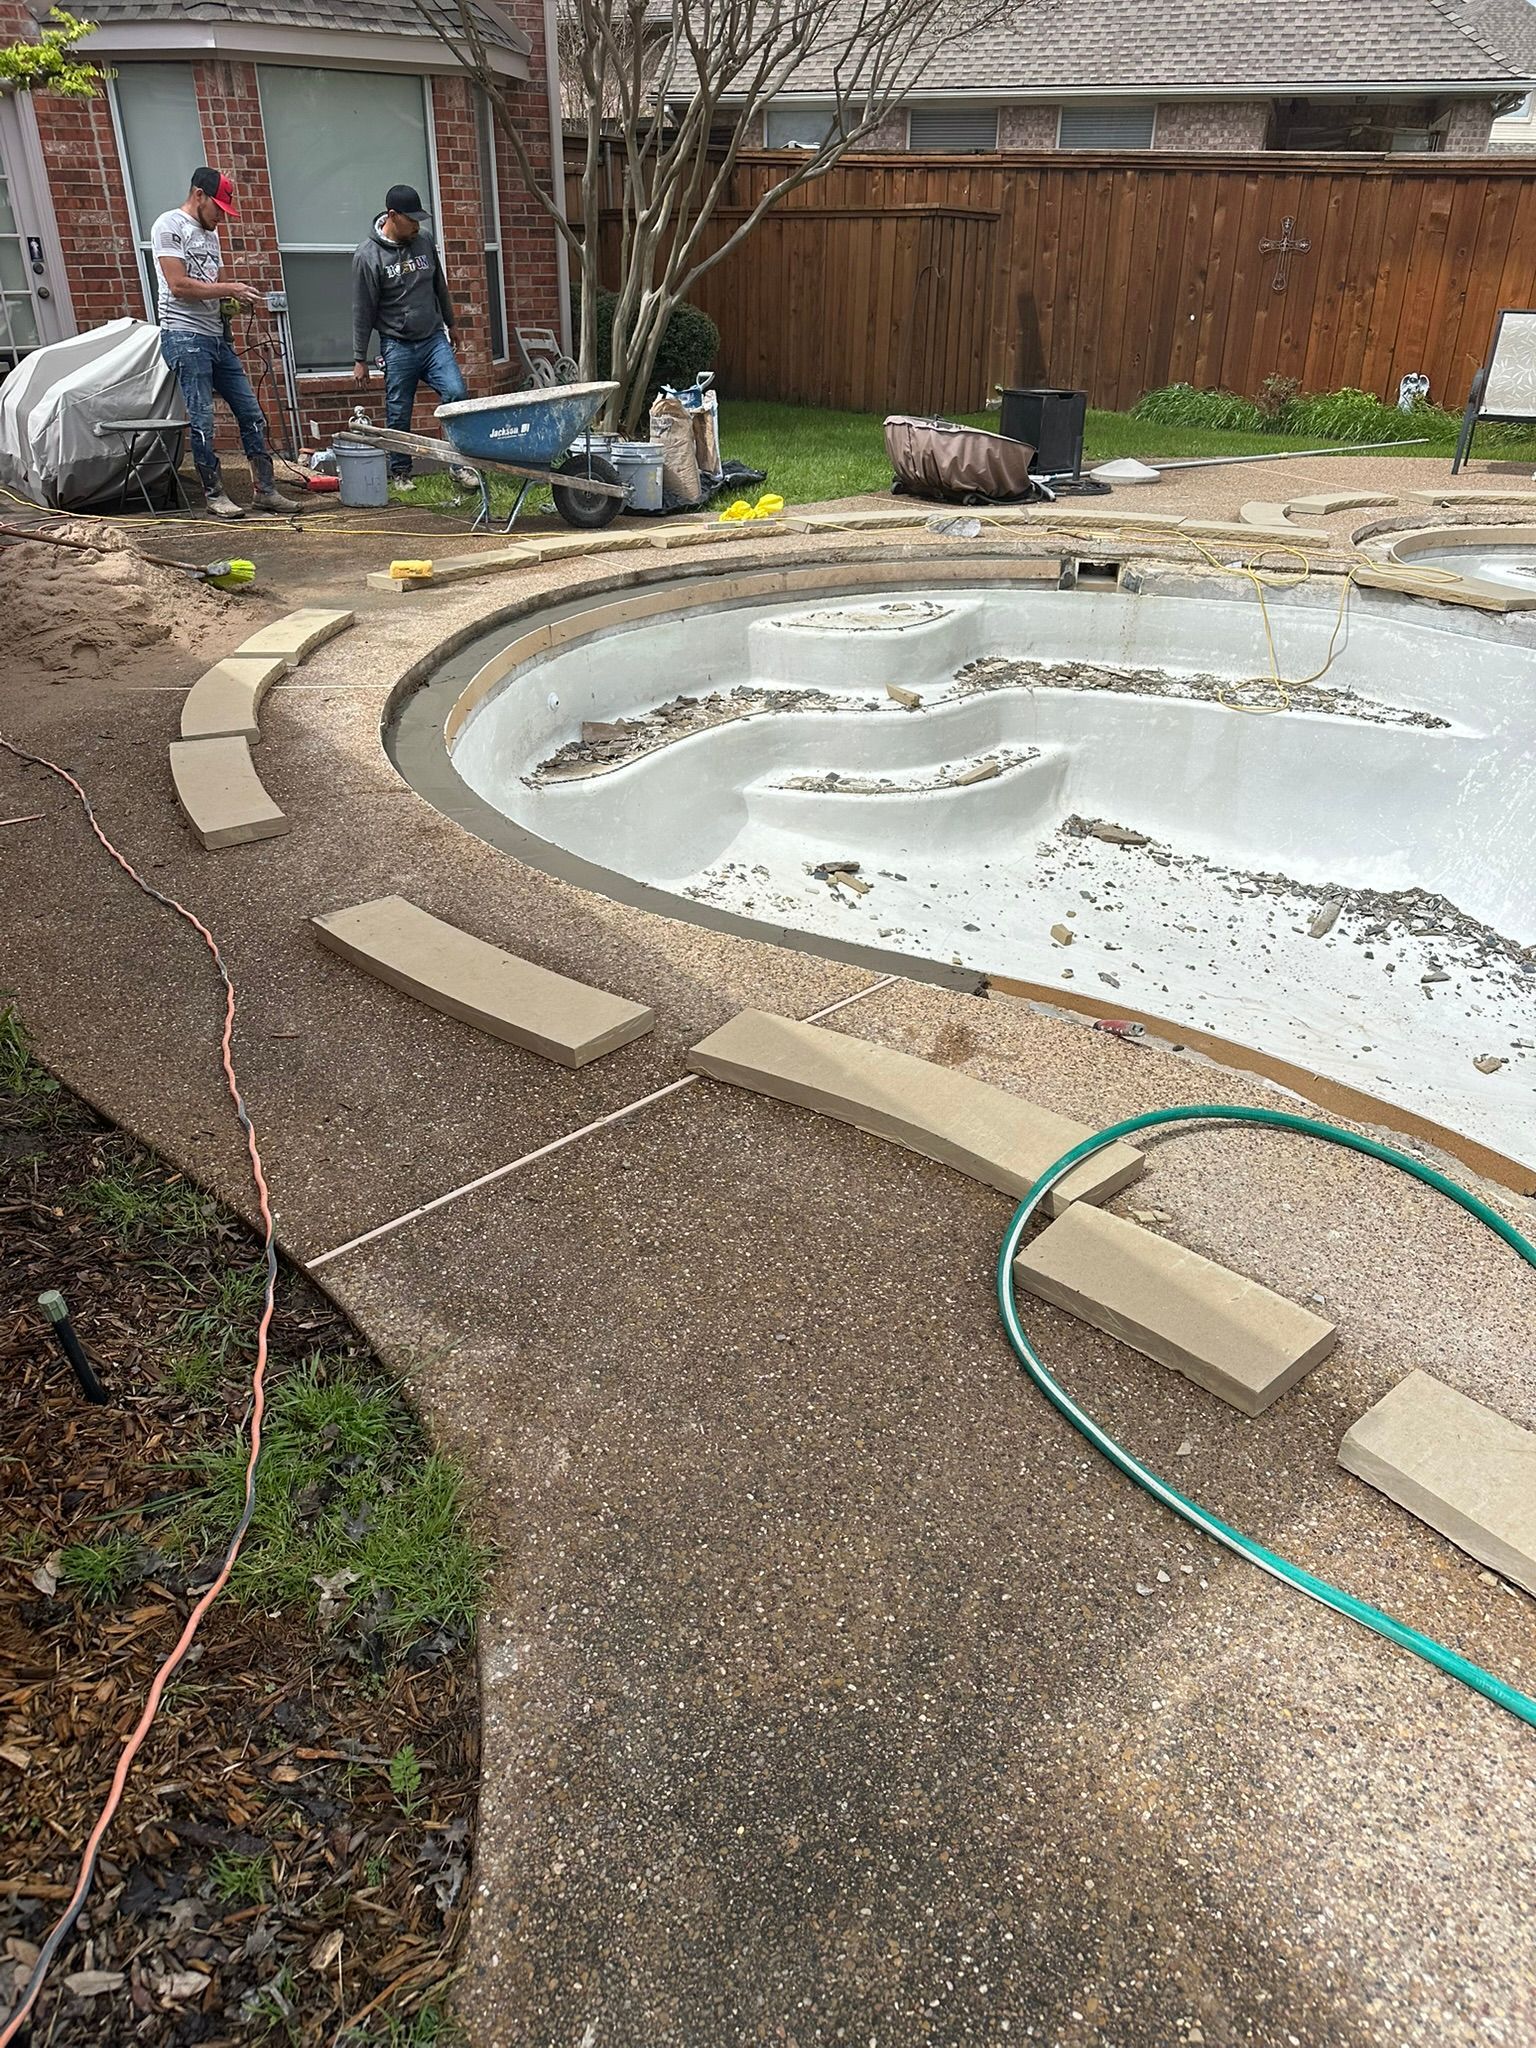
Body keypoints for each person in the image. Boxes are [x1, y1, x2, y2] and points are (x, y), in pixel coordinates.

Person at [151, 168, 297, 519]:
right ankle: (215, 495)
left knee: (251, 413)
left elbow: (209, 286)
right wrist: (229, 288)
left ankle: (265, 491)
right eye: (217, 208)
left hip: (216, 336)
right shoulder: (168, 226)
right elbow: (179, 286)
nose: (220, 217)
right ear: (198, 195)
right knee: (203, 419)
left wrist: (230, 302)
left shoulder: (210, 235)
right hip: (184, 336)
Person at [351, 184, 469, 490]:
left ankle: (459, 465)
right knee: (399, 409)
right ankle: (400, 472)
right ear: (393, 216)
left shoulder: (424, 241)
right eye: (412, 220)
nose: (418, 226)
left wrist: (451, 323)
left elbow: (438, 286)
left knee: (456, 393)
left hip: (433, 340)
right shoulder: (368, 255)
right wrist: (359, 358)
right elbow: (362, 309)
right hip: (397, 344)